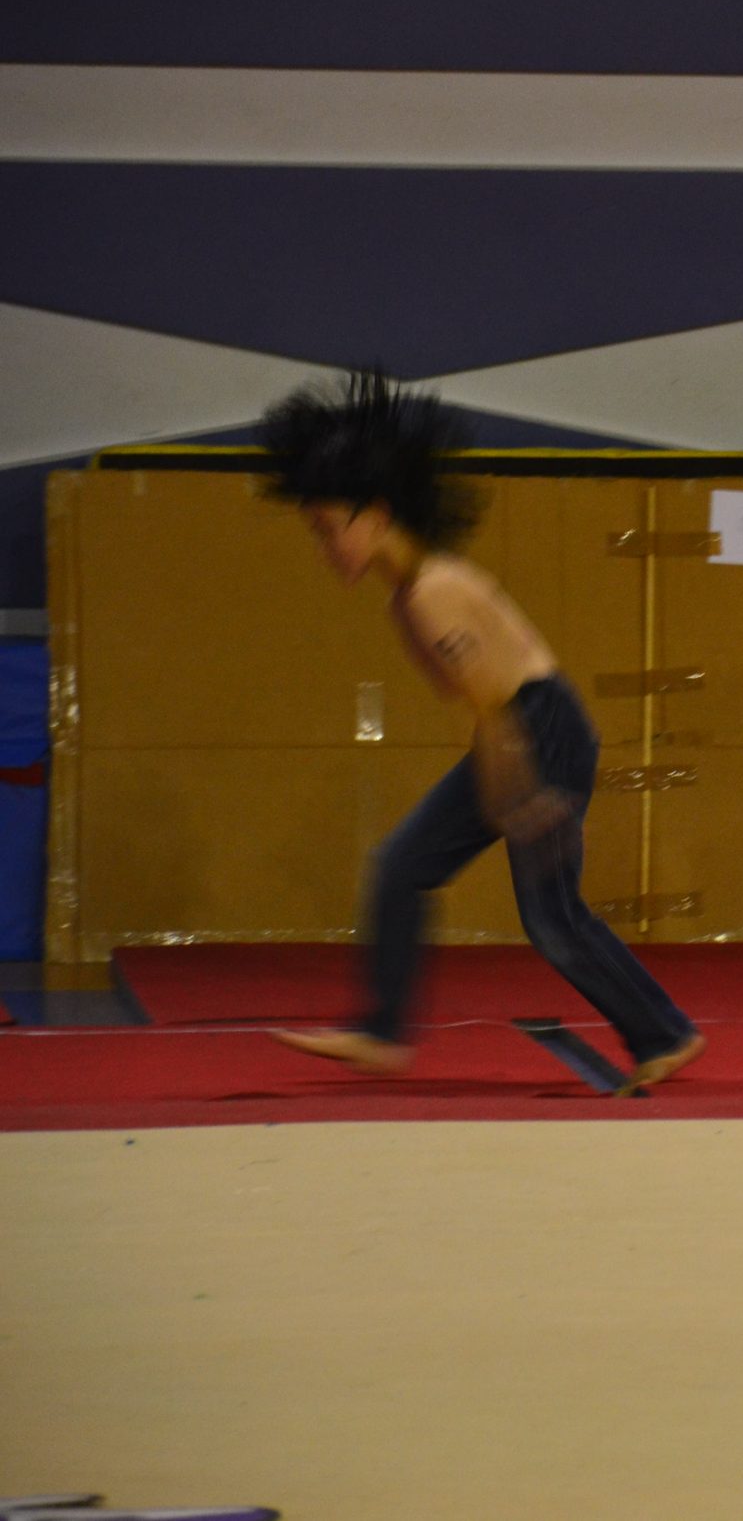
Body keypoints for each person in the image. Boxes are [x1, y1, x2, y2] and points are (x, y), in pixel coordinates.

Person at [261, 372, 703, 1089]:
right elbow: (488, 710)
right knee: (403, 866)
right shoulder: (411, 594)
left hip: (539, 731)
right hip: (527, 726)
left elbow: (497, 711)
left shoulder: (432, 594)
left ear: (376, 514)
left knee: (552, 919)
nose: (324, 549)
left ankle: (665, 1033)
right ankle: (382, 1032)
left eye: (327, 529)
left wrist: (521, 795)